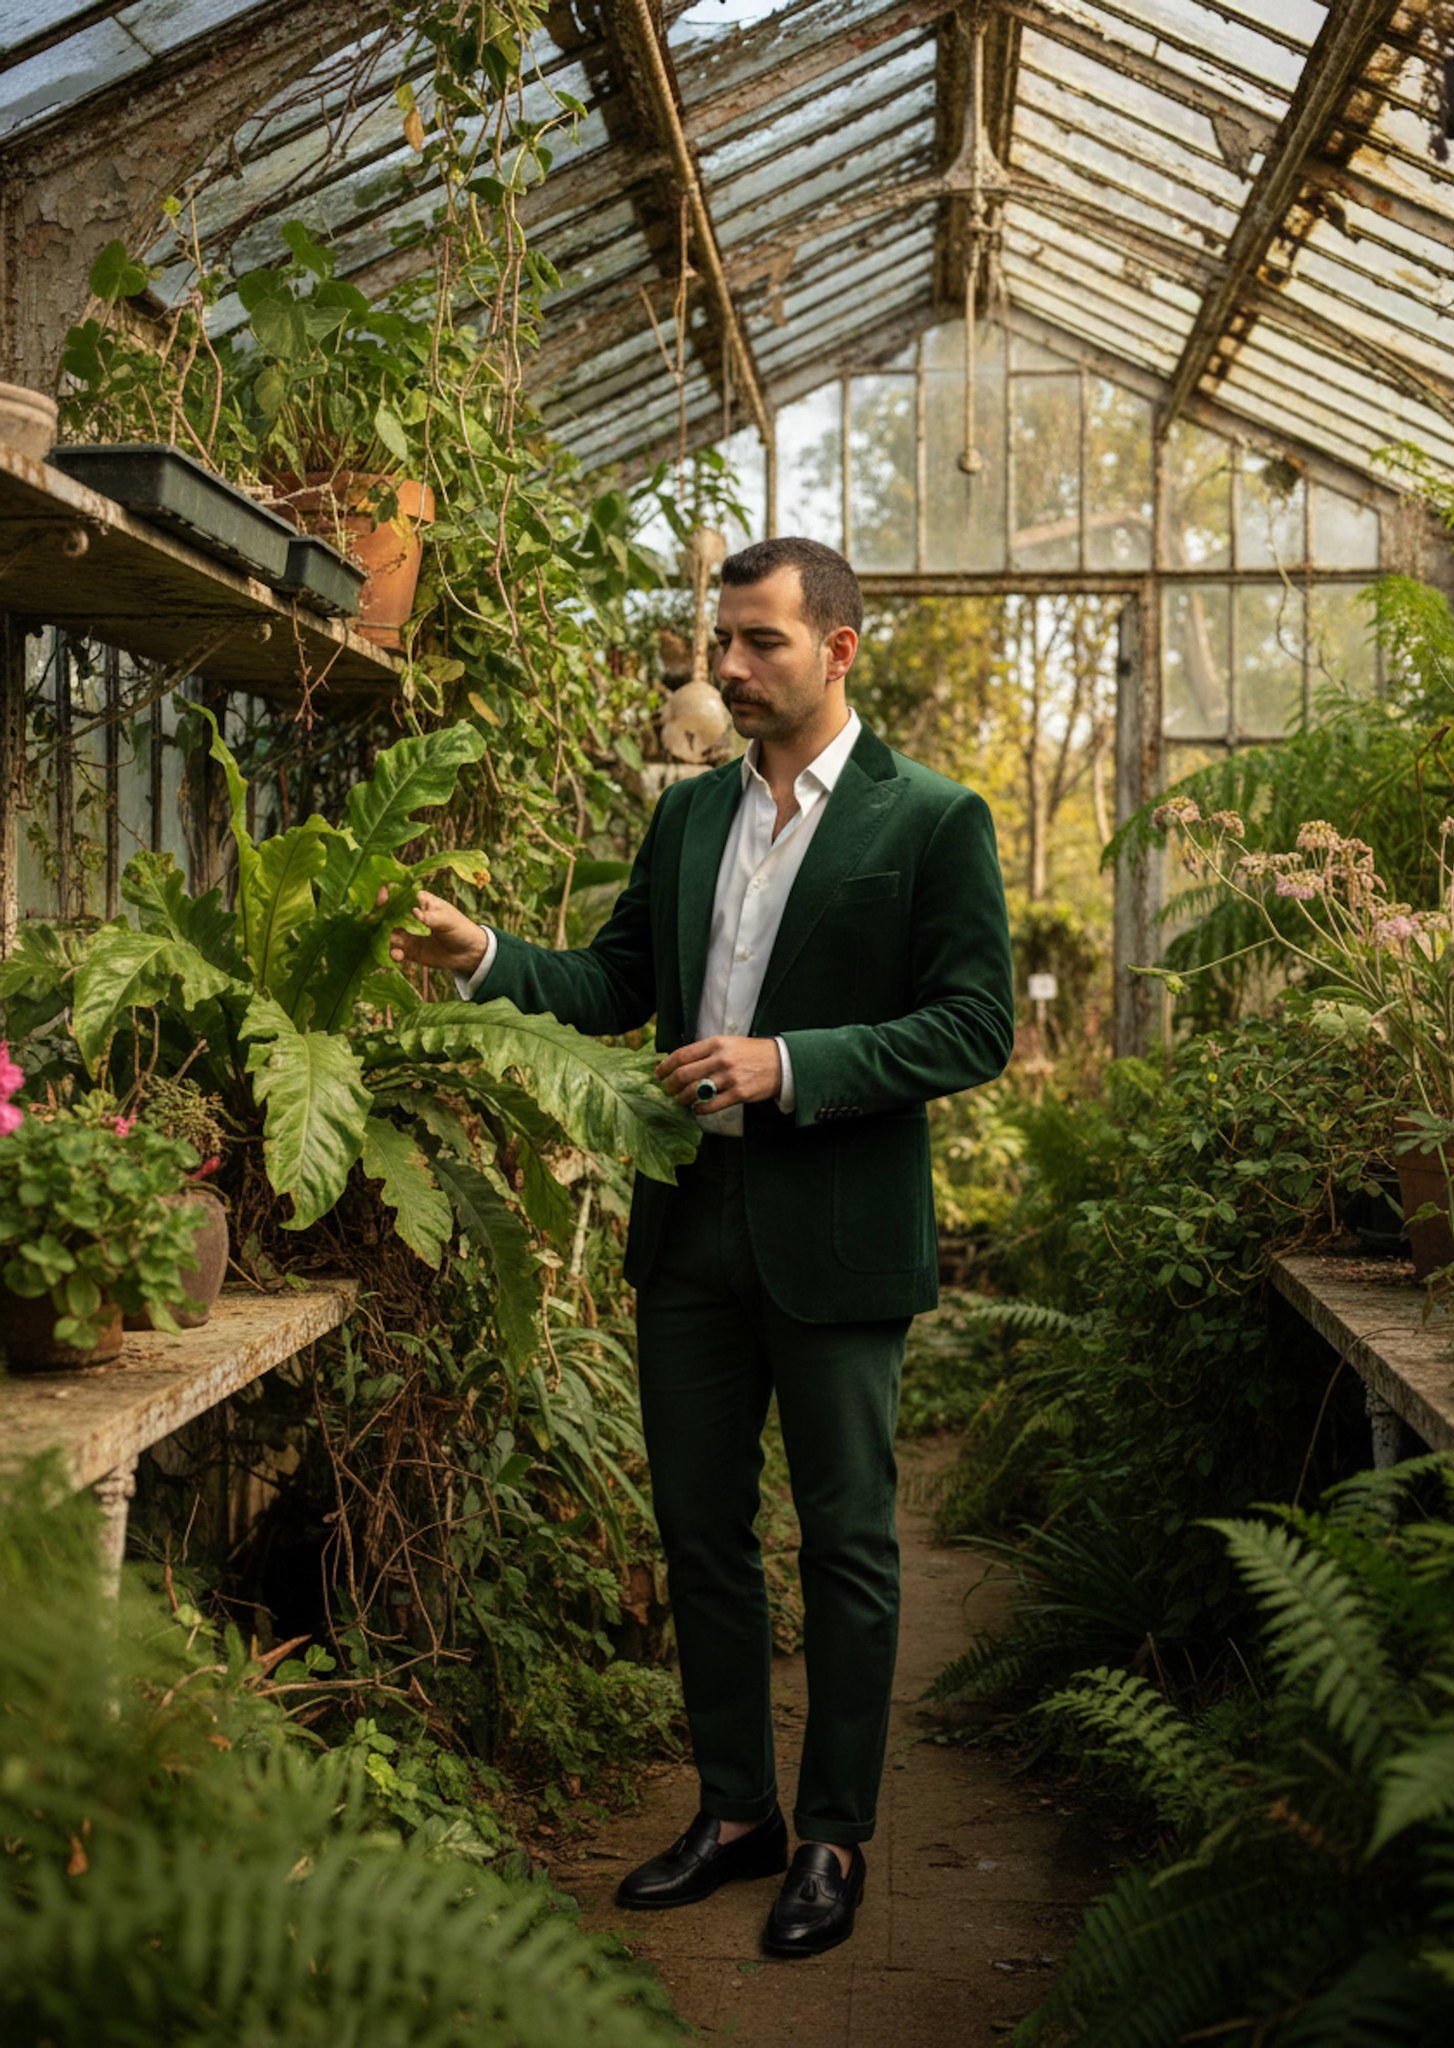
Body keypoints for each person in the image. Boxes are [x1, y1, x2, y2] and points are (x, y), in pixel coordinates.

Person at [390, 535, 1013, 1958]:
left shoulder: (932, 821)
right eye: (722, 642)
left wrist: (786, 1062)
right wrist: (484, 952)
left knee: (849, 1543)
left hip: (839, 1242)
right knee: (700, 1538)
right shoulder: (685, 823)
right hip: (689, 1232)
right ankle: (738, 1814)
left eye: (759, 644)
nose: (727, 668)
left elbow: (976, 1024)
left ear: (840, 649)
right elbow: (615, 983)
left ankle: (836, 1837)